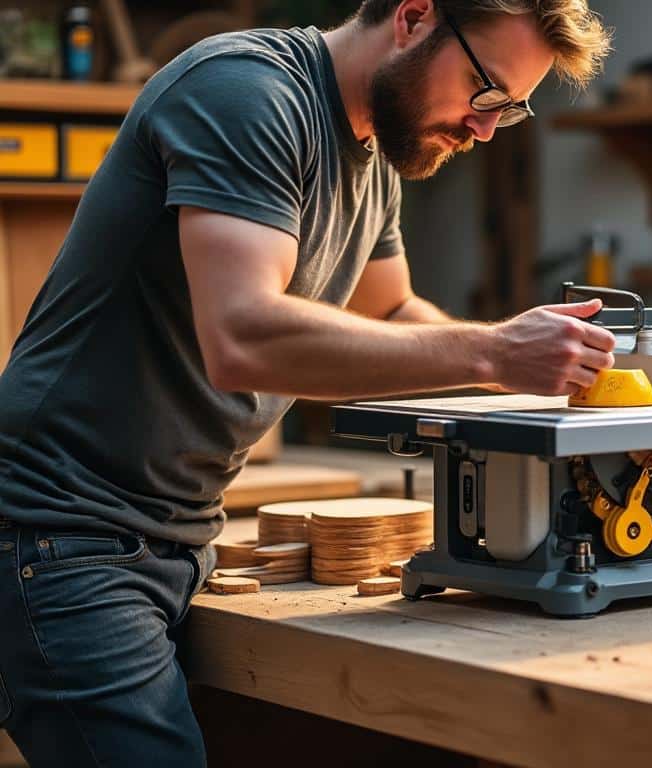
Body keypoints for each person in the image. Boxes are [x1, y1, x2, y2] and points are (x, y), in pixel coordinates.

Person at [0, 1, 612, 764]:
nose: (484, 127)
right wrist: (492, 351)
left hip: (180, 534)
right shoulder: (248, 94)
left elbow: (391, 311)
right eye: (483, 91)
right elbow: (243, 335)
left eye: (510, 110)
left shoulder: (373, 152)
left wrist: (555, 373)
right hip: (61, 533)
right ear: (415, 17)